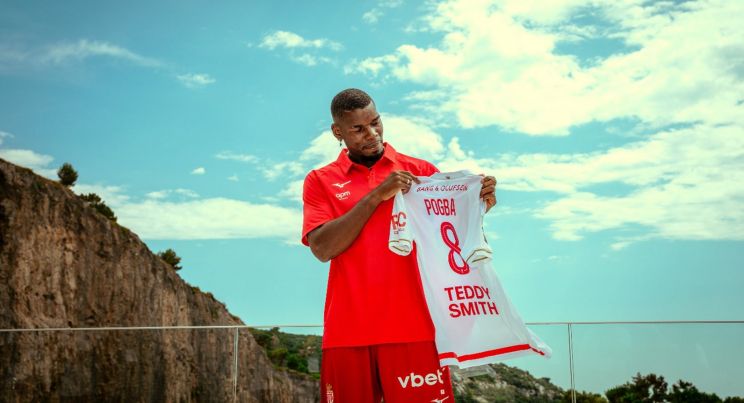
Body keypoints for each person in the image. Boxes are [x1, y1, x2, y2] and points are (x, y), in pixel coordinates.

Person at [301, 88, 496, 402]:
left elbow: (455, 245)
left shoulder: (421, 172)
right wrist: (377, 196)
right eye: (358, 129)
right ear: (338, 132)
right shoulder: (320, 180)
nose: (372, 134)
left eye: (375, 122)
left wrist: (477, 207)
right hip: (347, 331)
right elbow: (322, 248)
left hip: (416, 329)